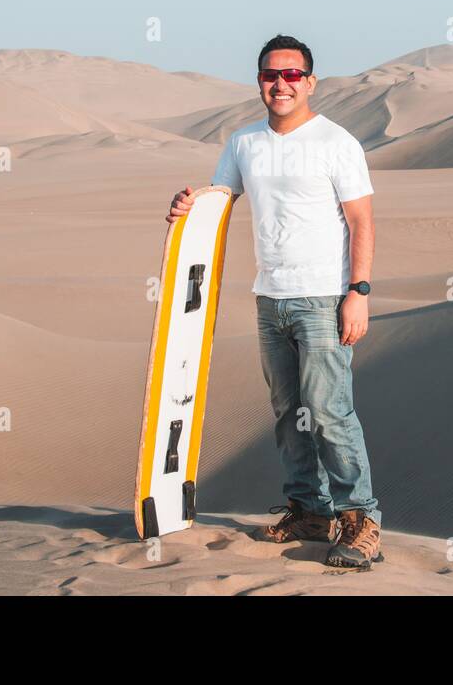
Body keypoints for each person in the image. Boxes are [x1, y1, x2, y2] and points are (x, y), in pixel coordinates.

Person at [166, 34, 381, 568]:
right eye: (270, 75)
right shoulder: (244, 143)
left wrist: (358, 293)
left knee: (331, 412)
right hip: (271, 299)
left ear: (309, 82)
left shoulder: (337, 142)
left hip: (324, 299)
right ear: (259, 81)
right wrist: (186, 206)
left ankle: (361, 520)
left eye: (291, 75)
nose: (280, 84)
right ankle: (310, 510)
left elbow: (362, 221)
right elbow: (220, 202)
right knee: (288, 412)